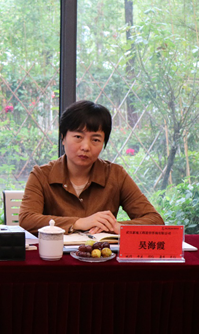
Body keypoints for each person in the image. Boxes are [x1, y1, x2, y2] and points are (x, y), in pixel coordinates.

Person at [19, 100, 164, 235]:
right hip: (56, 253)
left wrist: (117, 226)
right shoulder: (41, 175)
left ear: (103, 143)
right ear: (63, 138)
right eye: (78, 137)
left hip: (102, 253)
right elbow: (27, 220)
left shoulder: (115, 175)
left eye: (95, 139)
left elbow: (155, 220)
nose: (86, 147)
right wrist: (78, 223)